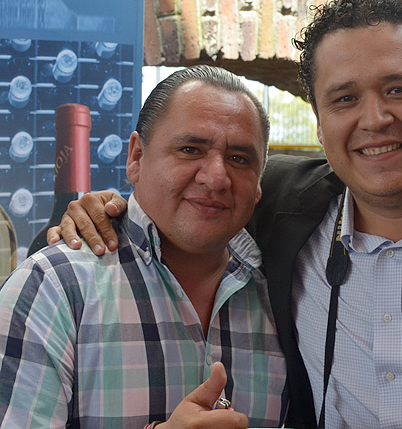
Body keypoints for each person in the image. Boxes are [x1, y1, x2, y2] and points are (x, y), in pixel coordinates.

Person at [48, 0, 402, 429]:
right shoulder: (271, 199)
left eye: (399, 89)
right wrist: (89, 216)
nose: (374, 118)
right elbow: (174, 197)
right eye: (344, 98)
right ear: (318, 120)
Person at [0, 65, 289, 428]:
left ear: (259, 182)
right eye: (190, 149)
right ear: (136, 157)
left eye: (239, 159)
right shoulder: (54, 288)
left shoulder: (282, 298)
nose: (216, 177)